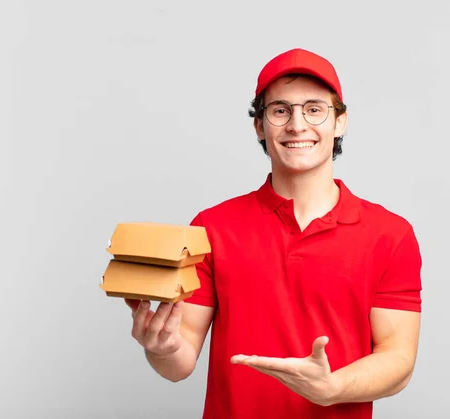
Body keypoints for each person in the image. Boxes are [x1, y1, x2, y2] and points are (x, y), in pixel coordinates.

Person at [125, 48, 423, 418]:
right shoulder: (212, 227)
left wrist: (332, 389)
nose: (297, 125)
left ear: (340, 122)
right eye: (280, 111)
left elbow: (398, 358)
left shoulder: (390, 234)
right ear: (259, 126)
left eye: (314, 109)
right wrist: (162, 348)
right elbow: (179, 361)